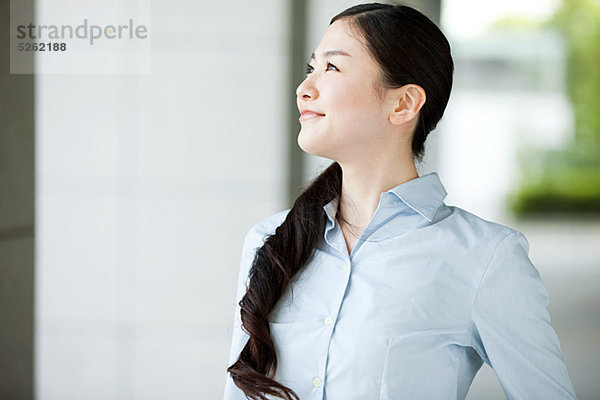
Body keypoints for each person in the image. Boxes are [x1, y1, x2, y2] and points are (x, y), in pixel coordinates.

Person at [223, 2, 578, 399]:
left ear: (403, 103)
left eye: (332, 68)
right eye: (311, 67)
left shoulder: (486, 258)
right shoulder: (270, 240)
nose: (304, 88)